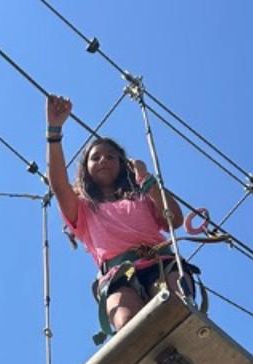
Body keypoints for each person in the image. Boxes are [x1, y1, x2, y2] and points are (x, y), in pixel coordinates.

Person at [46, 94, 190, 339]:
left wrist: (147, 180)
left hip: (161, 264)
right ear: (86, 169)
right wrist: (54, 131)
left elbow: (174, 220)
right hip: (118, 276)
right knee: (128, 324)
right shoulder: (83, 208)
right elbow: (59, 185)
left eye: (111, 157)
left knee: (177, 305)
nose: (103, 160)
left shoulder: (142, 196)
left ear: (123, 165)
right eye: (96, 157)